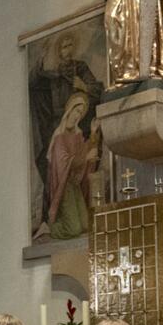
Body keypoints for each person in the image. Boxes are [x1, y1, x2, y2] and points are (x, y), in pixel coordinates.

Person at [40, 92, 99, 241]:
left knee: (86, 226)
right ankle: (50, 228)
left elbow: (82, 153)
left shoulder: (78, 133)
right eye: (76, 111)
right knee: (74, 229)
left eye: (81, 113)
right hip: (63, 187)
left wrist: (92, 135)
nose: (77, 116)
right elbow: (63, 163)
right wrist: (86, 157)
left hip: (74, 184)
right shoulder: (59, 135)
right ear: (70, 110)